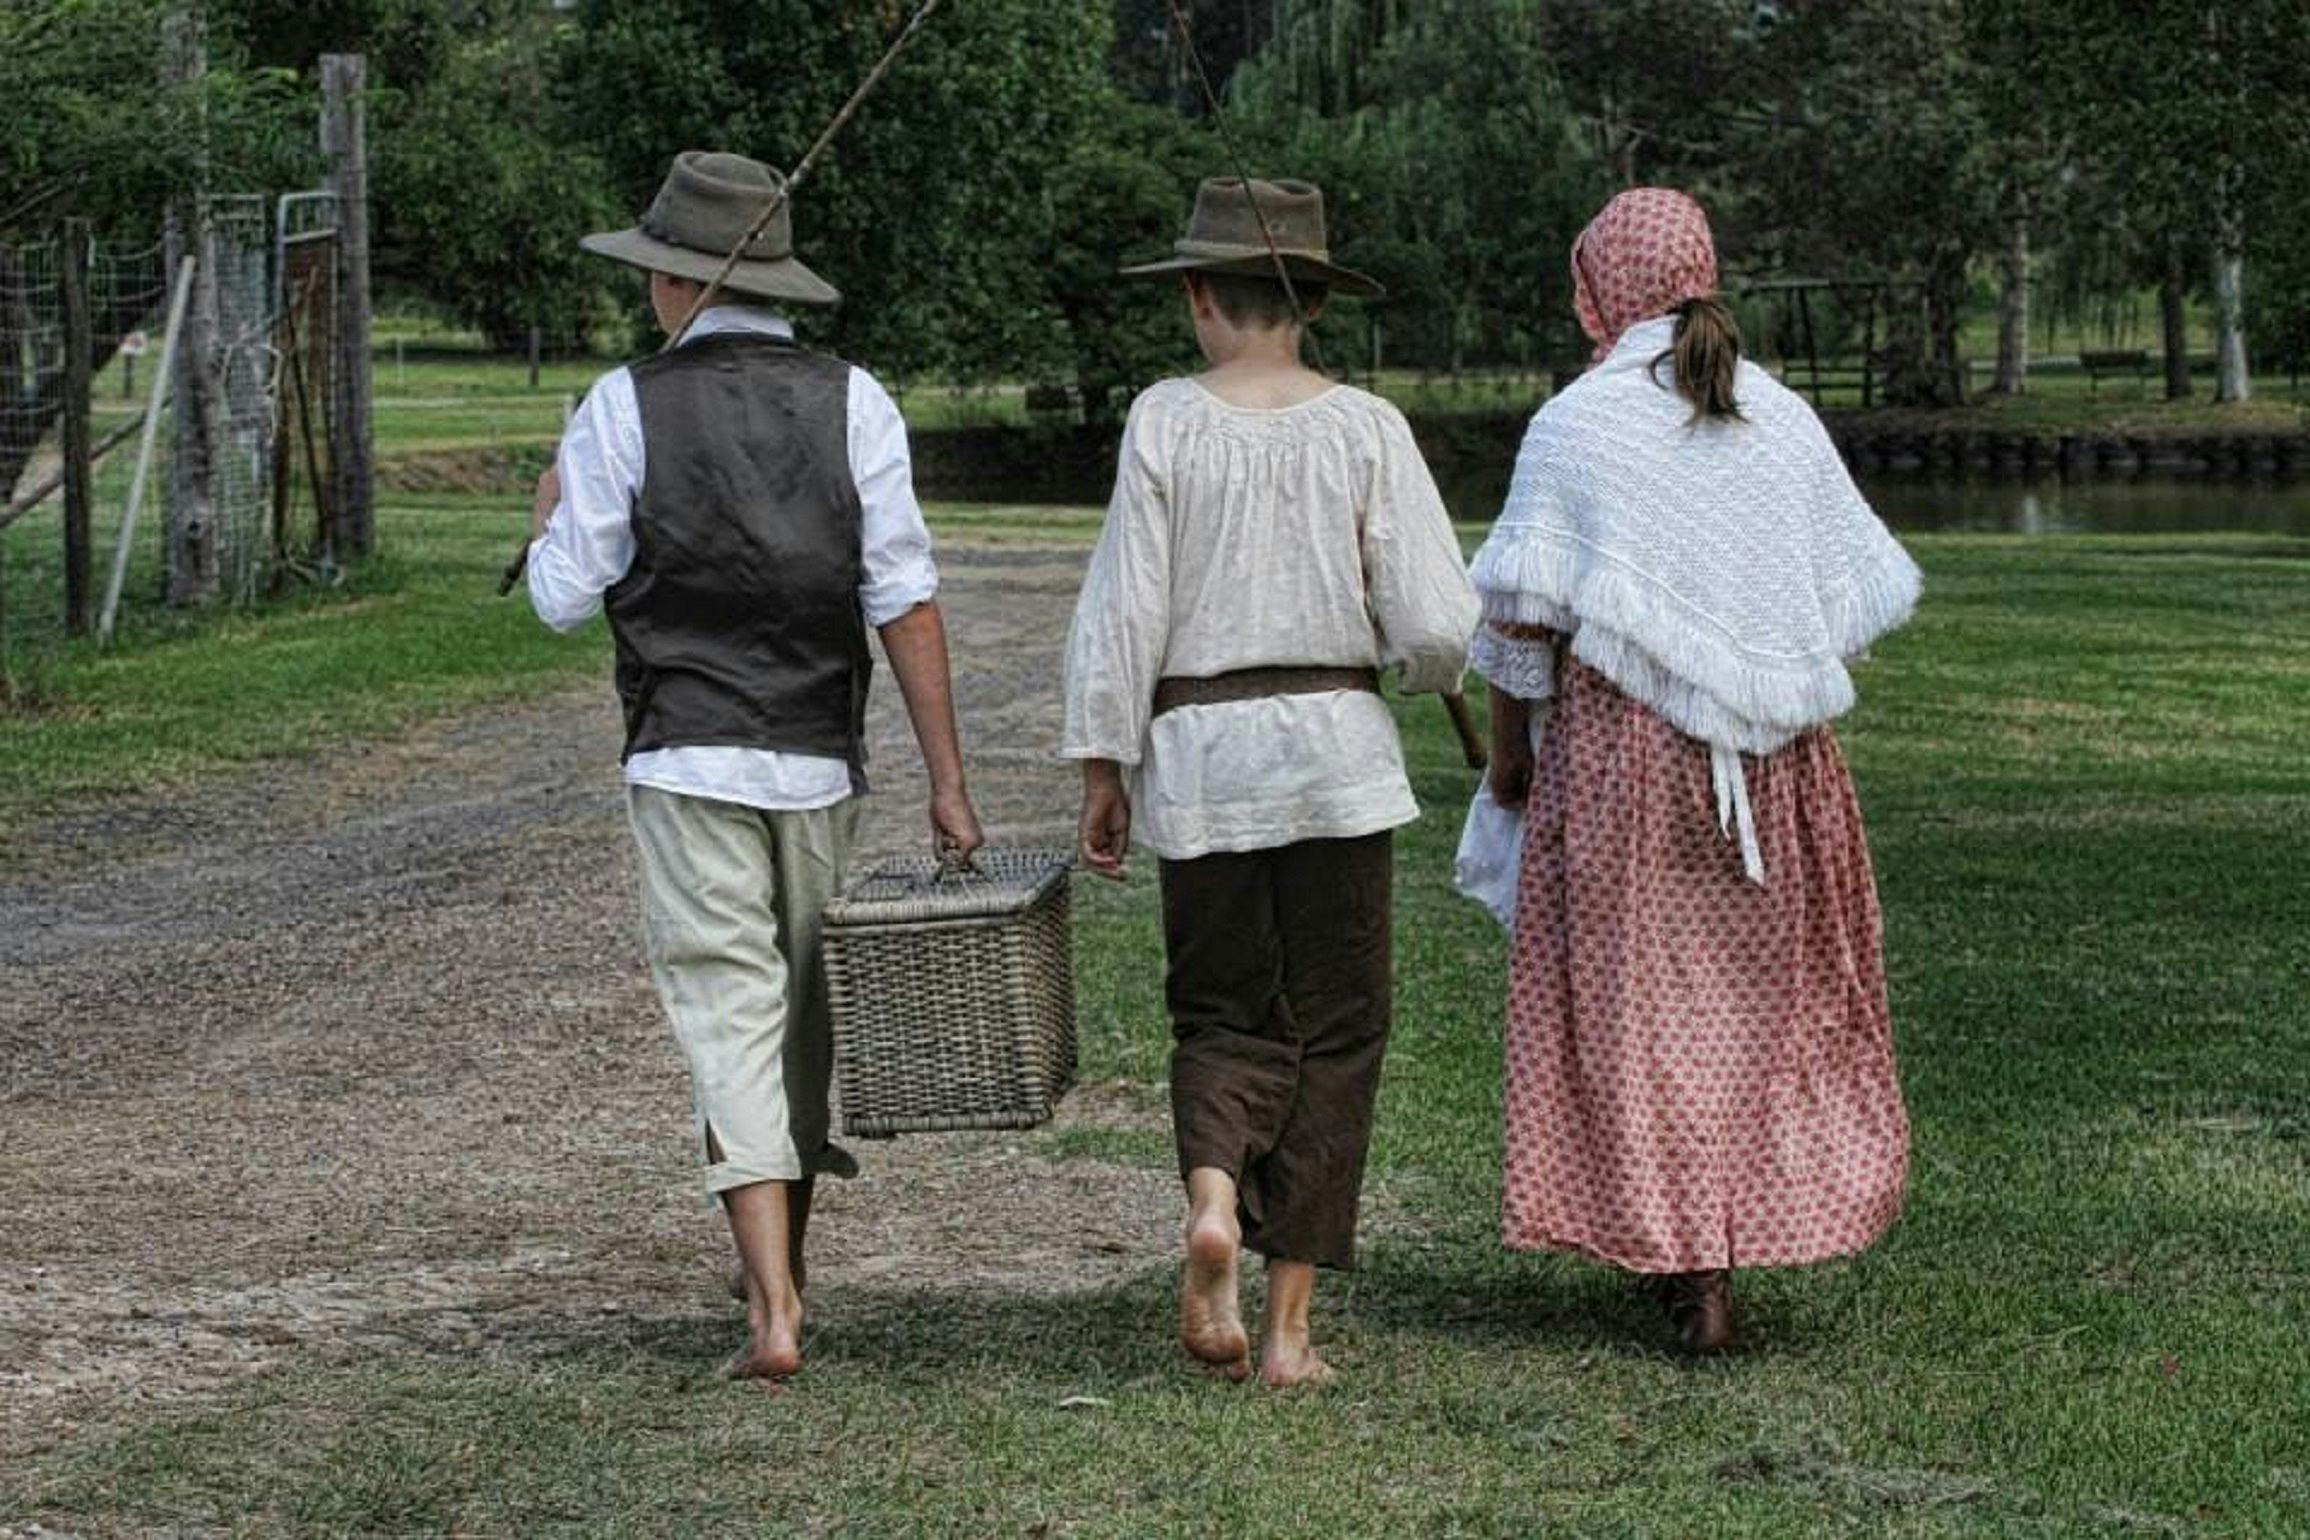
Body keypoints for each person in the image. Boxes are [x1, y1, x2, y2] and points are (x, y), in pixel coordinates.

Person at [525, 151, 983, 1381]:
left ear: (677, 277)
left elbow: (565, 597)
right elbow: (906, 598)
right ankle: (784, 1275)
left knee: (726, 1010)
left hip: (684, 752)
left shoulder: (623, 404)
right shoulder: (857, 402)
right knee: (800, 1019)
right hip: (818, 758)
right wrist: (947, 778)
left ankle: (770, 1304)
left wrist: (546, 516)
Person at [1468, 188, 1918, 1353]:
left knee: (1645, 1014)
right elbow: (1837, 607)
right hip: (1781, 772)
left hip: (1622, 765)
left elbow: (1524, 630)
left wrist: (1513, 763)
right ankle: (1727, 1250)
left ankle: (1687, 1261)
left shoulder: (1575, 425)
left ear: (1600, 284)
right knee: (1766, 1014)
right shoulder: (1780, 415)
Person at [1062, 177, 1479, 1387]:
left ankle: (1209, 1201)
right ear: (1311, 304)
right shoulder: (1368, 427)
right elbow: (1439, 623)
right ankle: (1290, 1326)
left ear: (1198, 295)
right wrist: (1417, 666)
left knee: (1222, 1011)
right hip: (1337, 762)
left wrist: (1107, 763)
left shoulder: (1163, 421)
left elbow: (1123, 612)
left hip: (1201, 757)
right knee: (1339, 1030)